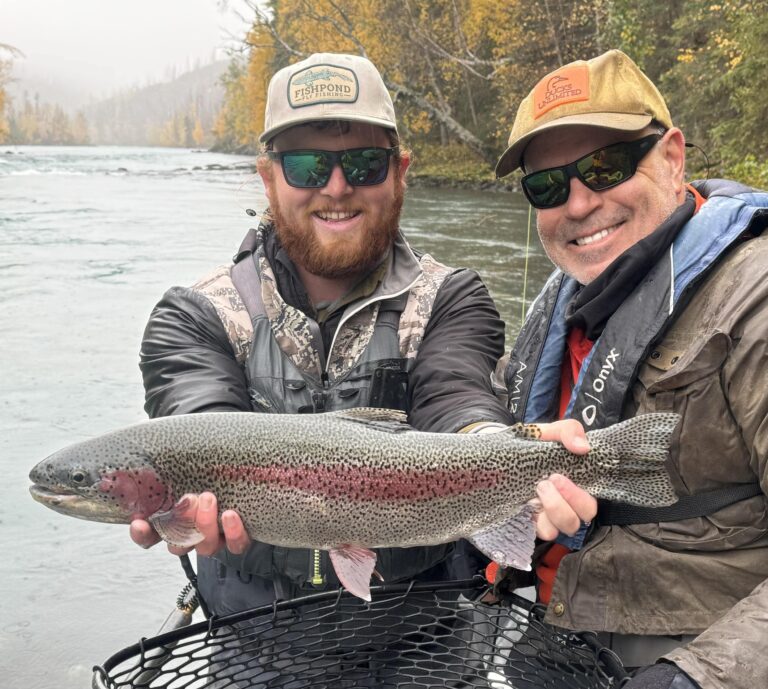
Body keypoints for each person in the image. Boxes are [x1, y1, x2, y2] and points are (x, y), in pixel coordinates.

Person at [129, 52, 586, 684]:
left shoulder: (453, 297)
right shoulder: (197, 312)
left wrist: (501, 448)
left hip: (431, 632)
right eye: (307, 164)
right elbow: (198, 425)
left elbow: (456, 398)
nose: (337, 186)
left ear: (399, 172)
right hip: (254, 643)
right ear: (269, 179)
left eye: (364, 163)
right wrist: (193, 498)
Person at [494, 49, 768, 689]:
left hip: (689, 655)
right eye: (548, 185)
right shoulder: (564, 303)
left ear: (672, 158)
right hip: (557, 636)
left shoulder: (754, 298)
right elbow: (483, 413)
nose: (580, 203)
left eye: (606, 165)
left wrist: (696, 679)